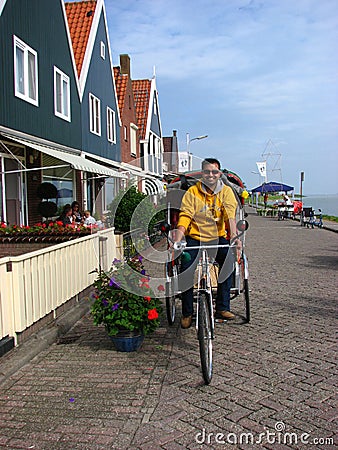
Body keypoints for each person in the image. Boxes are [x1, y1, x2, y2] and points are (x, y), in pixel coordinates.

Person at [174, 158, 241, 329]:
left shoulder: (226, 192)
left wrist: (234, 236)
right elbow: (186, 215)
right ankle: (187, 312)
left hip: (216, 237)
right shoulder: (192, 192)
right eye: (207, 172)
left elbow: (230, 216)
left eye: (214, 172)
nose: (211, 175)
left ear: (219, 174)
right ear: (202, 174)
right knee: (186, 268)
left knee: (228, 261)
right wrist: (179, 235)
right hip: (195, 237)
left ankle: (222, 307)